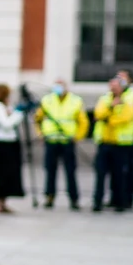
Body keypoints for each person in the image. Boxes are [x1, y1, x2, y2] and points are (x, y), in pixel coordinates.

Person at [91, 74, 133, 212]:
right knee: (100, 173)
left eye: (116, 86)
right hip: (104, 141)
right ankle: (97, 201)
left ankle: (120, 202)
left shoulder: (127, 101)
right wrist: (111, 109)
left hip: (120, 143)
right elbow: (99, 114)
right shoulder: (105, 99)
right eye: (111, 86)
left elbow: (127, 117)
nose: (113, 88)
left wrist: (110, 120)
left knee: (119, 174)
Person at [35, 78, 87, 209]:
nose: (58, 88)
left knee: (70, 171)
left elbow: (83, 121)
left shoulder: (75, 101)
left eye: (60, 85)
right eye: (56, 85)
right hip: (51, 140)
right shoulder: (47, 100)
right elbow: (37, 118)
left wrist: (78, 136)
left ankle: (74, 198)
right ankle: (49, 196)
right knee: (50, 170)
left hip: (67, 141)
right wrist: (40, 134)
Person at [0, 84, 25, 213]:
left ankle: (3, 202)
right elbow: (6, 124)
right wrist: (19, 113)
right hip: (3, 144)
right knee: (3, 174)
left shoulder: (6, 107)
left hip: (11, 143)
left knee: (10, 174)